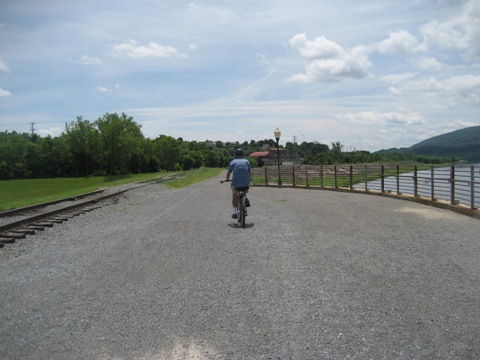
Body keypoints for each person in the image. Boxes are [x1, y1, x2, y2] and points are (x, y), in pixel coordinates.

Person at [226, 148, 252, 219]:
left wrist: (227, 179)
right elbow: (250, 172)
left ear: (235, 154)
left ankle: (234, 213)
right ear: (242, 154)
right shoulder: (246, 161)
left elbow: (228, 173)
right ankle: (246, 198)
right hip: (245, 183)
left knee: (235, 196)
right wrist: (250, 178)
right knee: (246, 188)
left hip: (236, 184)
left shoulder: (233, 162)